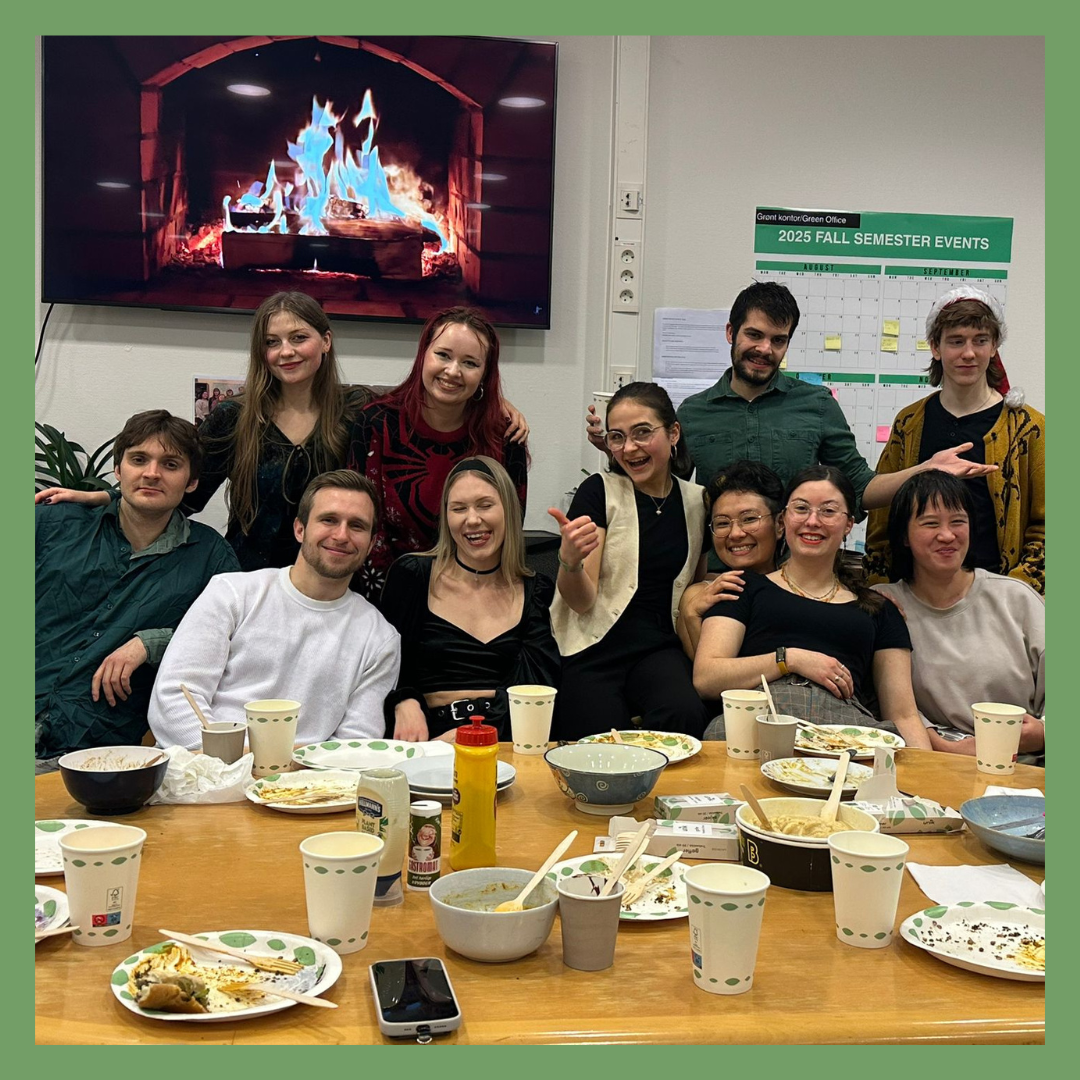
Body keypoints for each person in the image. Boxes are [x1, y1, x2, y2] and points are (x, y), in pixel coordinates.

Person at [586, 282, 995, 554]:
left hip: (802, 575)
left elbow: (862, 488)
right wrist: (622, 449)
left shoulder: (816, 405)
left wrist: (926, 470)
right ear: (731, 333)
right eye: (754, 335)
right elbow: (661, 492)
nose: (764, 349)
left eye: (778, 340)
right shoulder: (692, 413)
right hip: (717, 576)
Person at [36, 291, 371, 572]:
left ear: (325, 341)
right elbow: (185, 491)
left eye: (299, 338)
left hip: (337, 579)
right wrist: (107, 497)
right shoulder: (234, 416)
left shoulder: (359, 410)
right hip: (248, 579)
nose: (286, 351)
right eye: (272, 342)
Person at [35, 411, 239, 772]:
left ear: (192, 482)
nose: (151, 473)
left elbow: (235, 640)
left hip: (97, 756)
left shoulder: (211, 556)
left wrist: (152, 642)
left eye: (170, 464)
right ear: (118, 469)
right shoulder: (52, 523)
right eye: (139, 459)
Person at [148, 471, 400, 749]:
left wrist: (288, 779)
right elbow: (173, 698)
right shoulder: (232, 593)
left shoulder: (380, 638)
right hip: (205, 774)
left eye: (357, 526)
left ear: (371, 543)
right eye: (328, 520)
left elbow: (356, 745)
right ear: (300, 529)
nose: (341, 535)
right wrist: (237, 764)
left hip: (310, 785)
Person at [693, 465, 929, 748]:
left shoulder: (880, 609)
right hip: (757, 728)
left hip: (846, 737)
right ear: (783, 519)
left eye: (828, 511)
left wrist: (921, 779)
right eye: (801, 508)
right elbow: (707, 677)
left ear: (848, 524)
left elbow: (903, 714)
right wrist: (789, 660)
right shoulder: (743, 587)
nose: (812, 521)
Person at [549, 382, 710, 740]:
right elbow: (581, 601)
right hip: (593, 643)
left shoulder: (697, 501)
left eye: (642, 433)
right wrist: (570, 562)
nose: (629, 448)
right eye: (617, 437)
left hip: (658, 647)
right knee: (598, 736)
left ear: (673, 434)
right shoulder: (599, 491)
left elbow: (692, 589)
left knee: (684, 713)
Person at [866, 286, 1045, 594]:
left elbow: (1049, 528)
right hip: (912, 599)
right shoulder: (909, 423)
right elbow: (882, 522)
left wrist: (1016, 595)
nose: (969, 353)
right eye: (956, 341)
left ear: (994, 347)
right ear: (935, 347)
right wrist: (880, 590)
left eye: (980, 340)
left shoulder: (1029, 428)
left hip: (1000, 600)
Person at [347, 307, 530, 602]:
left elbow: (505, 532)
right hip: (383, 594)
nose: (453, 371)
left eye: (470, 363)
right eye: (443, 355)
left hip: (473, 597)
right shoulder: (375, 423)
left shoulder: (505, 437)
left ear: (485, 374)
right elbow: (360, 520)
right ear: (423, 356)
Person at [380, 456, 560, 741]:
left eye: (485, 505)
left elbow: (537, 690)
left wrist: (472, 735)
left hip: (505, 738)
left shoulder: (536, 591)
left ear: (509, 511)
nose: (472, 519)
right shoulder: (412, 576)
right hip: (427, 739)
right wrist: (404, 700)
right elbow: (384, 663)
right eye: (458, 508)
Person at [873, 470, 1044, 759]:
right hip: (936, 761)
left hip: (1028, 764)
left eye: (958, 522)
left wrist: (1042, 733)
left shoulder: (1016, 598)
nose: (947, 535)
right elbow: (891, 706)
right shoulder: (884, 604)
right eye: (930, 524)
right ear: (904, 535)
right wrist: (941, 746)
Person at [676, 459, 784, 658]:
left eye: (749, 519)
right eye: (722, 523)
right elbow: (708, 679)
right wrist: (692, 615)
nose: (735, 534)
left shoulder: (797, 588)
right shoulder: (700, 595)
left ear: (780, 524)